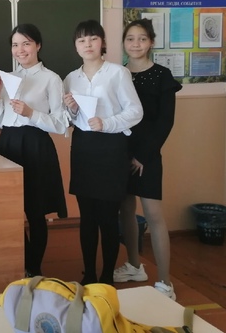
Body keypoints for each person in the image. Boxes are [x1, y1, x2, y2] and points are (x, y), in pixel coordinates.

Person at [63, 20, 142, 285]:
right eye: (81, 40)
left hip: (111, 148)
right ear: (76, 46)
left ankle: (107, 275)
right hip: (83, 148)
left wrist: (106, 123)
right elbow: (70, 120)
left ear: (103, 42)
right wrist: (72, 109)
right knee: (87, 218)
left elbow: (135, 111)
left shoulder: (118, 73)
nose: (87, 44)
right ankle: (89, 274)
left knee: (108, 218)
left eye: (93, 39)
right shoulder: (70, 78)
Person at [0, 24, 68, 277]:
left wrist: (31, 113)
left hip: (35, 146)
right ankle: (22, 263)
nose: (20, 50)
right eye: (15, 45)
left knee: (35, 212)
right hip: (8, 145)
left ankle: (34, 268)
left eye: (26, 43)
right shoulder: (7, 78)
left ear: (38, 45)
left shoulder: (51, 78)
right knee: (10, 211)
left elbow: (61, 124)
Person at [114, 19, 182, 300]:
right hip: (121, 151)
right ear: (124, 43)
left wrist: (144, 155)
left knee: (154, 216)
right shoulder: (118, 74)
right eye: (130, 39)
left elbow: (166, 122)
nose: (136, 44)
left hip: (149, 155)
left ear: (151, 42)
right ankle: (134, 265)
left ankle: (165, 282)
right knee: (126, 210)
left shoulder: (162, 75)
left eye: (142, 39)